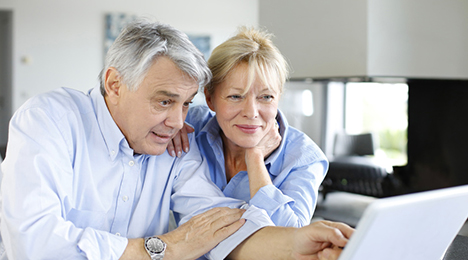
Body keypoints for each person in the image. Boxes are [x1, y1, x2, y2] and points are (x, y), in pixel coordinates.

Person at [0, 18, 353, 260]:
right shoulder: (50, 120)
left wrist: (299, 244)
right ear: (114, 84)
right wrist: (161, 249)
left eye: (186, 104)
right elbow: (35, 245)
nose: (177, 121)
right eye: (165, 101)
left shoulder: (175, 145)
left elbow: (219, 223)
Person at [168, 27, 328, 228]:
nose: (251, 112)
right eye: (236, 96)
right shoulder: (191, 124)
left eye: (266, 97)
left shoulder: (304, 157)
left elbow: (291, 237)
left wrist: (255, 158)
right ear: (210, 98)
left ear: (278, 97)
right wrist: (170, 125)